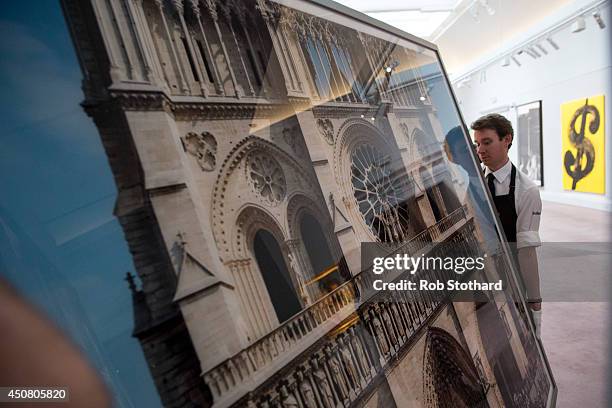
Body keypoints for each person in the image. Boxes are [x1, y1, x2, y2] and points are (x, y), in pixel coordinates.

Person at [471, 114, 543, 336]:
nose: (480, 150)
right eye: (477, 143)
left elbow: (527, 253)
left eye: (487, 142)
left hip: (511, 282)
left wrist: (534, 302)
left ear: (507, 139)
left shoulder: (526, 190)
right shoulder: (473, 184)